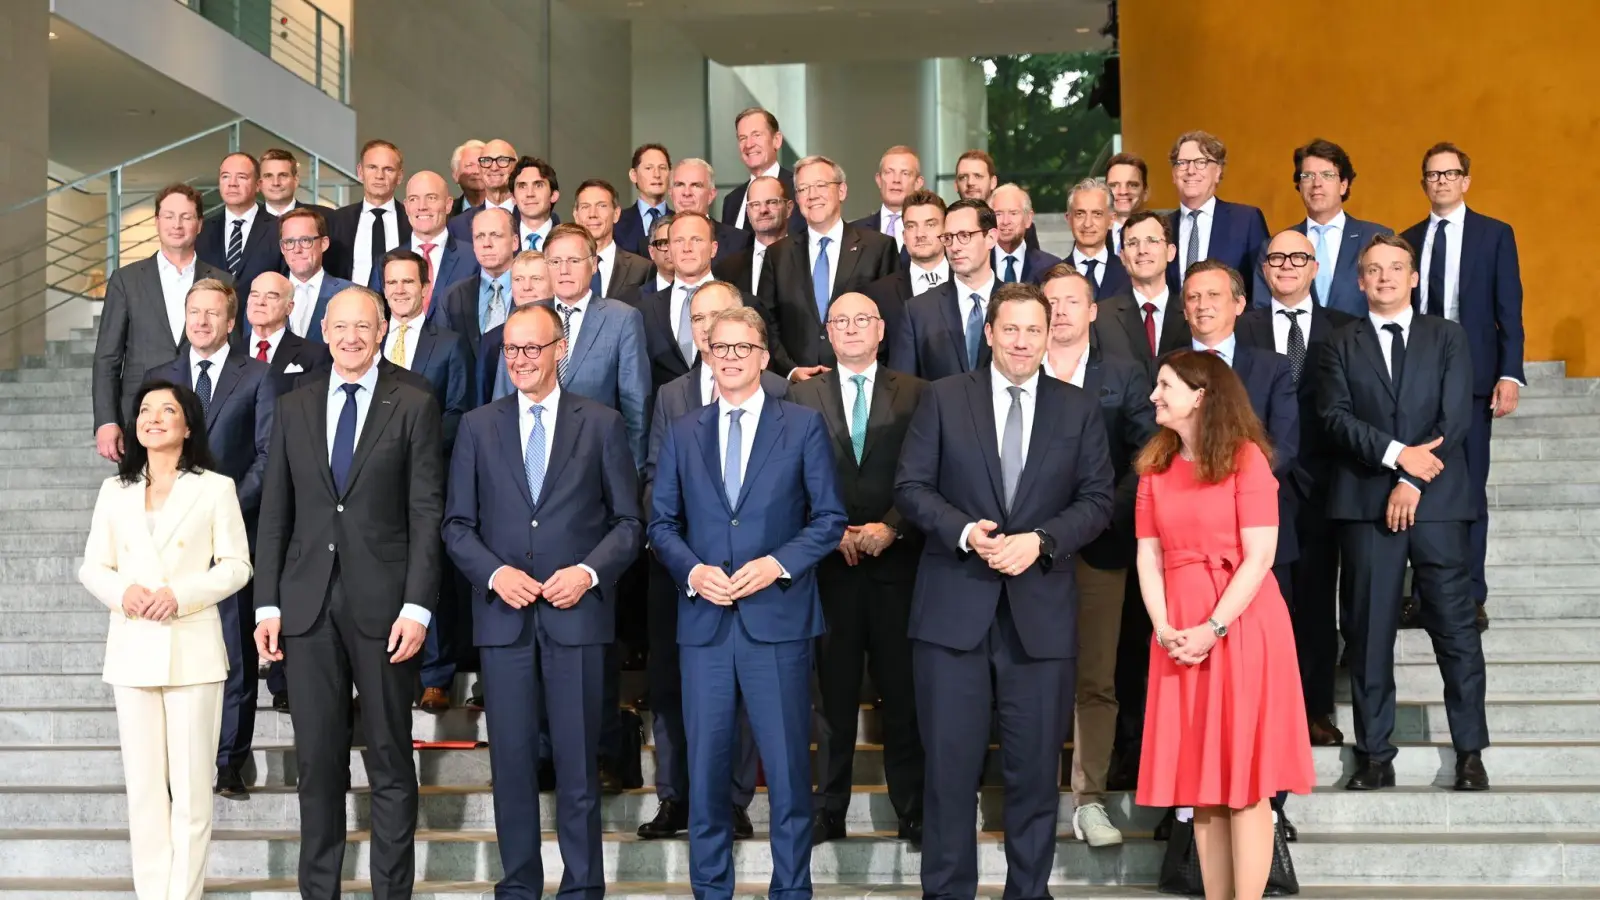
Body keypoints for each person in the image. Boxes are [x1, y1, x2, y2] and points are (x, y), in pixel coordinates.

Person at [895, 282, 1114, 900]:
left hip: (1039, 617)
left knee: (1033, 772)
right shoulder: (942, 399)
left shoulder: (1077, 408)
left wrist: (1040, 540)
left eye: (1034, 331)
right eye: (1010, 329)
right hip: (951, 613)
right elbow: (912, 487)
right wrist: (964, 531)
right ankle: (946, 891)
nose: (1022, 341)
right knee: (948, 772)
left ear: (1051, 337)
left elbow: (1098, 500)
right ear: (988, 333)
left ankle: (1029, 890)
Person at [443, 303, 643, 900]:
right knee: (509, 767)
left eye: (532, 348)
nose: (521, 360)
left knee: (580, 767)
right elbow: (456, 525)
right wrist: (494, 574)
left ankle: (582, 888)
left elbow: (629, 524)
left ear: (559, 349)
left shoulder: (602, 423)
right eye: (511, 350)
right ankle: (519, 885)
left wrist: (587, 572)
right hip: (504, 620)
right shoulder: (479, 426)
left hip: (576, 619)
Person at [648, 306, 847, 900]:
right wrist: (694, 571)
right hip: (705, 622)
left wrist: (777, 564)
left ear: (764, 357)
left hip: (778, 620)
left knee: (787, 773)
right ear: (707, 356)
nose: (730, 357)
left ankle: (792, 891)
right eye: (719, 347)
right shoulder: (685, 431)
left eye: (742, 347)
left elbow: (830, 518)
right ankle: (711, 890)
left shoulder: (802, 426)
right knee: (705, 773)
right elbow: (661, 523)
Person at [253, 286, 446, 900]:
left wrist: (418, 606)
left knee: (390, 759)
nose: (352, 338)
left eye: (364, 327)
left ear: (382, 329)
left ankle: (392, 893)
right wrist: (268, 602)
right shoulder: (294, 405)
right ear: (325, 332)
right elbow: (276, 515)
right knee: (318, 765)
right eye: (341, 328)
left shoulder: (413, 402)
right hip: (306, 609)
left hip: (387, 609)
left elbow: (425, 513)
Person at [1133, 349, 1315, 900]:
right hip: (1178, 629)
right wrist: (1165, 627)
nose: (1154, 395)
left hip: (1241, 627)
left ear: (1200, 395)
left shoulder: (1246, 460)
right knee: (1201, 785)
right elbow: (1148, 556)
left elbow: (1260, 557)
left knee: (1246, 784)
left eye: (1165, 385)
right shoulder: (1155, 466)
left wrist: (1212, 627)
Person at [1317, 233, 1489, 792]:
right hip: (1366, 504)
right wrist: (1396, 457)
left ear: (1414, 277)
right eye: (1374, 269)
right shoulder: (1339, 343)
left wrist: (1412, 479)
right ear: (1360, 280)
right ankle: (1374, 755)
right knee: (1367, 633)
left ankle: (1469, 752)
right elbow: (1335, 418)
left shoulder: (1448, 337)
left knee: (1457, 632)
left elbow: (1455, 417)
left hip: (1438, 504)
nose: (1385, 277)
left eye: (1396, 268)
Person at [79, 379, 252, 900]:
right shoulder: (116, 490)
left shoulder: (214, 487)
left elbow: (237, 566)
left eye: (167, 410)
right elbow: (92, 566)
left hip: (191, 651)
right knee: (146, 793)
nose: (154, 418)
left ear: (188, 424)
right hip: (133, 649)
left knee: (194, 793)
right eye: (145, 410)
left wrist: (180, 594)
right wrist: (122, 591)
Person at [638, 281, 781, 842]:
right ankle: (676, 797)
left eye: (719, 317)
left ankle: (733, 798)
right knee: (672, 689)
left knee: (743, 688)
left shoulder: (776, 394)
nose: (708, 327)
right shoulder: (671, 395)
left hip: (750, 573)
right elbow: (653, 479)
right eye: (699, 318)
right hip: (680, 568)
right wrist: (686, 556)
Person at [789, 292, 928, 849]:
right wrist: (833, 533)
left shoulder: (918, 393)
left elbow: (928, 470)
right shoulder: (800, 394)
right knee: (833, 701)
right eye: (839, 320)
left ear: (880, 329)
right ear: (827, 330)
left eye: (861, 319)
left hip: (899, 566)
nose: (850, 328)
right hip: (831, 568)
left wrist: (892, 527)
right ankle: (830, 809)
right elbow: (787, 477)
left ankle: (913, 809)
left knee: (903, 695)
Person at [1037, 265, 1157, 847]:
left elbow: (1147, 454)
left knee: (1097, 678)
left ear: (1092, 312)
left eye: (1070, 301)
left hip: (1100, 543)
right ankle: (1032, 794)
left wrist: (1096, 514)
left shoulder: (1126, 375)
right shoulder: (1014, 371)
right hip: (1025, 549)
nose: (1058, 310)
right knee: (1028, 672)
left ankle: (1089, 800)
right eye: (1049, 301)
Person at [142, 279, 276, 798]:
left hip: (230, 531)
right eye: (193, 312)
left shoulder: (258, 376)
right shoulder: (161, 379)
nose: (201, 321)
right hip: (166, 538)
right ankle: (176, 762)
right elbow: (145, 451)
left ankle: (228, 762)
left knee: (234, 652)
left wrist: (221, 507)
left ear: (230, 321)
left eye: (212, 314)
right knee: (172, 650)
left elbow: (267, 454)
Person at [1240, 230, 1359, 745]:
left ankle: (1314, 709)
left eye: (1298, 258)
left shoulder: (1346, 328)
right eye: (1276, 258)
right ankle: (1265, 709)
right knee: (1265, 606)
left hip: (1327, 487)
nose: (1286, 266)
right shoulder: (1242, 330)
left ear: (1315, 267)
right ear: (1264, 270)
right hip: (1258, 485)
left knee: (1315, 606)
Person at [1402, 141, 1524, 630]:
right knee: (1413, 484)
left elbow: (1507, 309)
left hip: (1473, 379)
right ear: (1424, 182)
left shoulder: (1494, 235)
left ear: (1466, 181)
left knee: (1469, 488)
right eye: (1433, 175)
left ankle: (1471, 594)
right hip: (1416, 377)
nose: (1442, 181)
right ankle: (1421, 594)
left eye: (1450, 174)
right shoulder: (1407, 239)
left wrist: (1510, 373)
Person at [93, 183, 232, 463]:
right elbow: (107, 357)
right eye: (169, 216)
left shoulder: (222, 280)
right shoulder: (126, 280)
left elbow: (232, 350)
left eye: (186, 217)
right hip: (141, 416)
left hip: (202, 414)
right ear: (157, 221)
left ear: (200, 224)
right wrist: (106, 421)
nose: (177, 225)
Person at [755, 154, 898, 382]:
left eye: (821, 185)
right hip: (796, 389)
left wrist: (861, 368)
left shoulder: (877, 248)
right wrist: (790, 370)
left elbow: (890, 320)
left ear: (841, 191)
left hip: (860, 382)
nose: (812, 195)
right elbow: (765, 322)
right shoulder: (777, 254)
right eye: (803, 189)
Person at [537, 223, 651, 466]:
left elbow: (636, 407)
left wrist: (632, 475)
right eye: (555, 262)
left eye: (574, 261)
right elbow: (502, 399)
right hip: (534, 460)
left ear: (594, 264)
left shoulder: (622, 319)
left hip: (597, 463)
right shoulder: (526, 316)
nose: (564, 270)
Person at [1249, 139, 1391, 316]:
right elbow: (1262, 311)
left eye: (1327, 175)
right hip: (1296, 342)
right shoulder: (1275, 246)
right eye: (1307, 176)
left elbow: (1391, 302)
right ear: (1299, 186)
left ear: (1343, 185)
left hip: (1361, 341)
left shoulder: (1377, 239)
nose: (1317, 183)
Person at [889, 198, 999, 380]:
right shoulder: (918, 310)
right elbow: (903, 390)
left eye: (965, 236)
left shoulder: (1017, 304)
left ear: (991, 238)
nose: (954, 247)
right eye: (948, 238)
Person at [1166, 131, 1270, 303]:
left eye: (1201, 162)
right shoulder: (1162, 227)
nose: (1191, 171)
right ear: (1173, 174)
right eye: (1182, 163)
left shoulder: (1246, 221)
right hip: (1172, 328)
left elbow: (1262, 289)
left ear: (1218, 171)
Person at [1095, 209, 1190, 375]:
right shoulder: (1100, 317)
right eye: (1132, 243)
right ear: (1122, 257)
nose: (1142, 250)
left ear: (1171, 252)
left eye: (1152, 241)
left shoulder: (1192, 312)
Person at [863, 188, 948, 356]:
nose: (920, 234)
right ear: (903, 235)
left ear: (946, 232)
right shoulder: (878, 294)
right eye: (911, 226)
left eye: (930, 224)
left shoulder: (968, 283)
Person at [438, 207, 519, 364]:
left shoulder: (532, 292)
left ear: (515, 242)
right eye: (480, 236)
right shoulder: (452, 297)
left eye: (495, 235)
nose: (486, 244)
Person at [325, 139, 410, 286]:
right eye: (372, 167)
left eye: (388, 169)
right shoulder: (336, 220)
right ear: (360, 172)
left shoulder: (412, 219)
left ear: (400, 176)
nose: (379, 175)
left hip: (400, 304)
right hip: (350, 304)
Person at [196, 152, 283, 291]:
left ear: (258, 185)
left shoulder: (279, 228)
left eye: (241, 177)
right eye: (225, 176)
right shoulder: (202, 230)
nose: (232, 184)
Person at [479, 250, 555, 406]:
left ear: (554, 284)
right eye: (518, 279)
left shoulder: (569, 329)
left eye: (536, 279)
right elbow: (483, 401)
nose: (526, 287)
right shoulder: (492, 340)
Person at [243, 271, 332, 399]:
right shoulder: (231, 353)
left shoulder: (315, 355)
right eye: (254, 295)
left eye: (271, 296)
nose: (260, 302)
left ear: (289, 307)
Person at [403, 170, 479, 315]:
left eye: (431, 198)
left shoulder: (473, 258)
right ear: (406, 206)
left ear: (448, 204)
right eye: (414, 199)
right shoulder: (386, 261)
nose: (422, 206)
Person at [722, 107, 805, 234]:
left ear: (776, 140)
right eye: (742, 138)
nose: (749, 144)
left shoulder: (800, 189)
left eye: (757, 135)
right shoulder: (732, 201)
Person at [279, 207, 357, 342]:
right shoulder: (263, 295)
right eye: (290, 242)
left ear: (324, 244)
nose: (297, 249)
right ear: (282, 248)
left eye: (305, 240)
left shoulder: (352, 294)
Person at [712, 175, 792, 298]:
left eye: (771, 202)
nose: (763, 210)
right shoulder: (727, 269)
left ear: (789, 208)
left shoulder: (807, 257)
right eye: (755, 204)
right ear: (748, 212)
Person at [573, 178, 653, 297]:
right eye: (585, 207)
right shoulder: (561, 267)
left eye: (601, 206)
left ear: (616, 214)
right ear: (576, 216)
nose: (593, 214)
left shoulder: (642, 268)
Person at [847, 145, 925, 259]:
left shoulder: (932, 231)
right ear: (879, 180)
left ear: (918, 183)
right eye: (889, 172)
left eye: (905, 173)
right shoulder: (852, 232)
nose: (896, 180)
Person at [953, 149, 1040, 250]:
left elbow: (1034, 263)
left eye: (978, 176)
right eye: (963, 177)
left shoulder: (1018, 224)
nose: (970, 182)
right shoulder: (946, 225)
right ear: (956, 185)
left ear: (993, 182)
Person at [670, 158, 751, 262]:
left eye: (696, 185)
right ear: (671, 193)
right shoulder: (654, 241)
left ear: (711, 195)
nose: (686, 193)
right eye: (679, 185)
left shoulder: (739, 241)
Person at [1065, 178, 1132, 298]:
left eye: (1097, 214)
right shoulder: (1051, 276)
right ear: (1069, 219)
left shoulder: (1129, 274)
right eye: (1080, 214)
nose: (1088, 223)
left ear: (1111, 220)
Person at [445, 139, 520, 242]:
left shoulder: (533, 215)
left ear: (516, 167)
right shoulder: (458, 225)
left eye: (502, 160)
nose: (494, 168)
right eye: (486, 161)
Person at [989, 184, 1061, 285]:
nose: (1005, 221)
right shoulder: (977, 264)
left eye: (1013, 213)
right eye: (998, 214)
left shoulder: (1052, 267)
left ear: (1028, 219)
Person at [616, 143, 672, 257]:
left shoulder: (680, 221)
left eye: (662, 168)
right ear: (633, 175)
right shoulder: (616, 223)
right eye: (648, 168)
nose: (657, 174)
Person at [259, 147, 331, 218]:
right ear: (259, 183)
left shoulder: (325, 216)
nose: (276, 183)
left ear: (295, 180)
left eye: (283, 175)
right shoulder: (250, 221)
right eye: (268, 176)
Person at [1104, 152, 1150, 253]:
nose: (1123, 192)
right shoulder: (1093, 237)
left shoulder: (1163, 236)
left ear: (1146, 192)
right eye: (1114, 185)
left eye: (1132, 185)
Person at [449, 139, 487, 215]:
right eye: (469, 165)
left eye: (482, 164)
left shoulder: (511, 209)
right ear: (455, 174)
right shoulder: (446, 214)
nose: (476, 171)